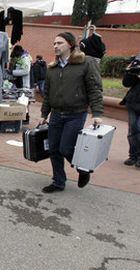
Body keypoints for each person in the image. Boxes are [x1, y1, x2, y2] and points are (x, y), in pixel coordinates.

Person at [39, 32, 104, 193]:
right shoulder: (52, 68)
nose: (55, 46)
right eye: (54, 43)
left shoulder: (86, 63)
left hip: (76, 113)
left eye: (59, 43)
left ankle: (83, 170)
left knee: (66, 148)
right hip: (56, 114)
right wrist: (43, 114)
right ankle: (58, 182)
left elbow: (95, 89)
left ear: (70, 45)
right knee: (53, 149)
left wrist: (97, 113)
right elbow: (47, 94)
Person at [121, 53, 140, 169]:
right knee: (132, 130)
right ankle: (133, 155)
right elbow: (126, 83)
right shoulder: (137, 60)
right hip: (134, 101)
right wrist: (130, 72)